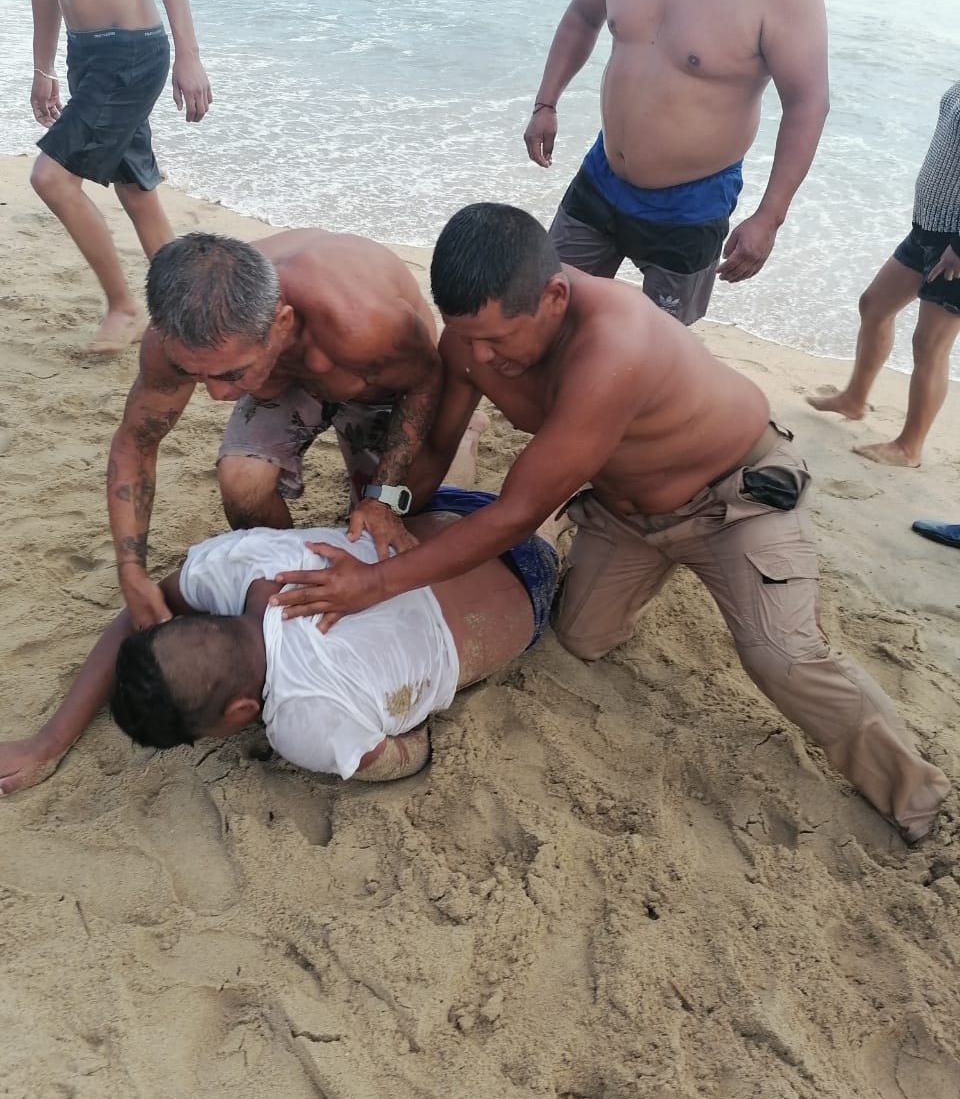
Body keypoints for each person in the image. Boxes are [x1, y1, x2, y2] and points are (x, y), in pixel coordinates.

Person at [273, 204, 950, 843]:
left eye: (499, 339)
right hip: (625, 511)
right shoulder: (473, 336)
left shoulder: (613, 342)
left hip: (732, 501)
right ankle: (648, 569)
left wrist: (377, 583)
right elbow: (437, 450)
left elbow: (516, 513)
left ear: (555, 299)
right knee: (581, 638)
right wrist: (385, 511)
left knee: (782, 658)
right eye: (468, 337)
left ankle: (921, 797)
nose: (483, 355)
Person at [0, 490, 558, 797]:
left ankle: (557, 526)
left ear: (242, 710)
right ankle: (479, 450)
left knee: (547, 536)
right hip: (452, 514)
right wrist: (47, 741)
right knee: (487, 514)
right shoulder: (229, 565)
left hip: (528, 588)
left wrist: (410, 723)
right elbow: (136, 616)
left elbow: (403, 759)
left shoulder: (301, 722)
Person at [108, 229, 448, 631]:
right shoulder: (178, 338)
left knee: (408, 510)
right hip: (285, 378)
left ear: (281, 323)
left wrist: (383, 497)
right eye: (193, 374)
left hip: (381, 382)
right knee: (242, 483)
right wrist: (131, 571)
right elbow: (136, 442)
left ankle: (467, 440)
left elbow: (426, 380)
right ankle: (291, 569)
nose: (217, 395)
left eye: (229, 374)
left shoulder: (363, 324)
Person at [523, 0, 828, 323]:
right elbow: (582, 15)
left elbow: (807, 101)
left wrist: (769, 216)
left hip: (692, 204)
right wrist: (546, 102)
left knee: (654, 352)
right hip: (603, 174)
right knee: (546, 313)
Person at [6, 0, 213, 353]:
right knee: (135, 190)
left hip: (132, 50)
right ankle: (191, 317)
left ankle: (124, 307)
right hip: (86, 52)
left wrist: (189, 53)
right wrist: (44, 68)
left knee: (51, 178)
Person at [807, 81, 960, 467]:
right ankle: (854, 399)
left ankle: (909, 447)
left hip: (955, 244)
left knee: (930, 344)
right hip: (928, 228)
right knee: (873, 305)